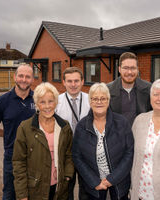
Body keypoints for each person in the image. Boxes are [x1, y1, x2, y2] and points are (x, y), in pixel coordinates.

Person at [12, 82, 74, 200]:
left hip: (59, 188)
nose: (47, 106)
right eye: (42, 102)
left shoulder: (64, 127)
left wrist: (67, 176)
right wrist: (22, 194)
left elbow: (69, 154)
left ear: (56, 102)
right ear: (36, 104)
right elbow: (18, 162)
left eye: (50, 101)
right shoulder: (25, 128)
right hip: (35, 189)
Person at [72, 83, 134, 200]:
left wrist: (111, 179)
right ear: (90, 102)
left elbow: (129, 153)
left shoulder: (122, 123)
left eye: (103, 98)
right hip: (93, 186)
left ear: (108, 101)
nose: (99, 102)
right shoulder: (82, 126)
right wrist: (94, 181)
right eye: (95, 99)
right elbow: (77, 156)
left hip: (119, 184)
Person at [0, 64, 35, 200]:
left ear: (32, 79)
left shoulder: (38, 99)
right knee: (10, 193)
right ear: (15, 77)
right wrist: (10, 133)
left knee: (33, 192)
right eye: (21, 76)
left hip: (35, 155)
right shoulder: (2, 101)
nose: (23, 79)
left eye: (27, 77)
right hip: (12, 156)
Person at [55, 66, 90, 200]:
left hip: (86, 154)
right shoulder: (57, 102)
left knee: (86, 189)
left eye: (76, 81)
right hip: (65, 154)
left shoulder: (91, 100)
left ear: (82, 81)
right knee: (66, 190)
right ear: (63, 82)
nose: (73, 85)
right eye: (69, 81)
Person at [107, 52, 152, 126]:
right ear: (119, 69)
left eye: (133, 68)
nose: (129, 72)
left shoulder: (149, 89)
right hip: (117, 136)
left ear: (137, 69)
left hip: (140, 135)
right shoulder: (107, 90)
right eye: (126, 68)